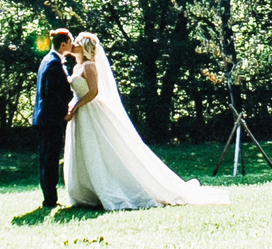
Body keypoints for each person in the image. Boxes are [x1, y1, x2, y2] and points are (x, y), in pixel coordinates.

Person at [64, 31, 228, 211]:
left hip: (90, 110)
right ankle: (88, 190)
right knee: (86, 149)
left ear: (85, 46)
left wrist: (76, 106)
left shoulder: (89, 66)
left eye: (77, 42)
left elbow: (93, 91)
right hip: (81, 112)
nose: (73, 45)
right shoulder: (76, 67)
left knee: (101, 148)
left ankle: (111, 187)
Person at [31, 28, 76, 210]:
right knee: (49, 160)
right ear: (64, 44)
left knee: (46, 158)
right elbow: (51, 95)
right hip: (50, 119)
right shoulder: (54, 64)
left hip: (45, 118)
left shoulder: (48, 60)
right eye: (71, 42)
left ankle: (49, 197)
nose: (73, 46)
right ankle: (49, 200)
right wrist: (63, 112)